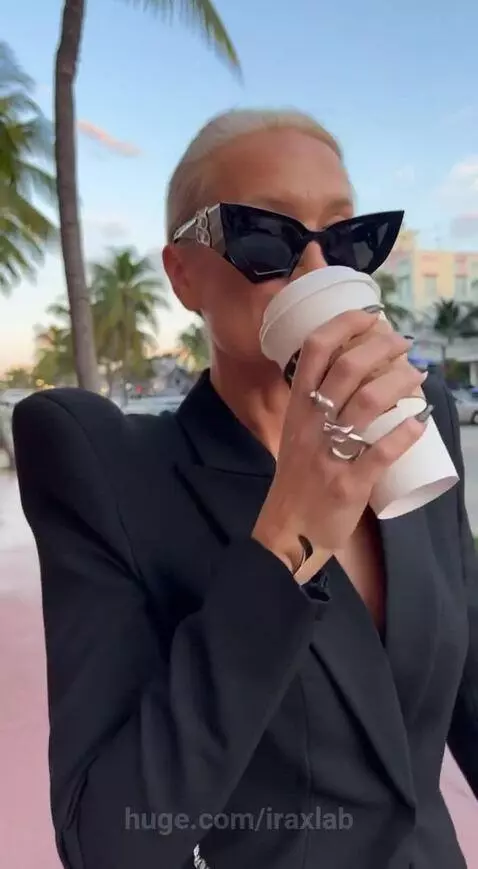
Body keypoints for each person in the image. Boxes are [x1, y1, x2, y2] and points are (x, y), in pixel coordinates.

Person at [13, 108, 477, 869]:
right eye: (267, 237)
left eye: (350, 238)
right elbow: (110, 840)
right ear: (184, 274)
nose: (319, 269)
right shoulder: (111, 470)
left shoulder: (422, 431)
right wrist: (289, 531)